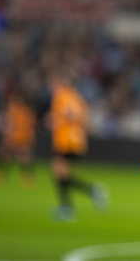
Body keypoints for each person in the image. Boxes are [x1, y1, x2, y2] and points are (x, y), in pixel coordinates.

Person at [48, 71, 107, 221]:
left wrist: (56, 119)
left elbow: (70, 114)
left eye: (54, 83)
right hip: (75, 140)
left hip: (66, 140)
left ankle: (69, 207)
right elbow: (83, 115)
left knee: (60, 173)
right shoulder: (76, 96)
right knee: (61, 174)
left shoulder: (63, 96)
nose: (52, 86)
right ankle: (88, 194)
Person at [0, 84, 37, 189]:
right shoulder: (20, 109)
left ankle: (23, 176)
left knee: (20, 156)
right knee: (9, 154)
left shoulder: (20, 109)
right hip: (17, 135)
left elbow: (15, 123)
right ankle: (3, 174)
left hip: (19, 135)